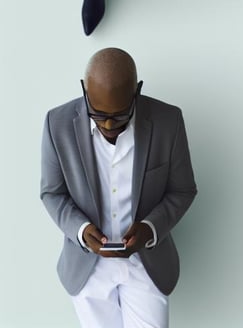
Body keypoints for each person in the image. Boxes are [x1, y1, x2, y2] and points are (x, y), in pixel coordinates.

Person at [40, 48, 197, 328]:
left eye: (121, 116)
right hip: (87, 268)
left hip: (147, 266)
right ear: (84, 90)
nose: (109, 125)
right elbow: (52, 193)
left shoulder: (168, 121)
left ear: (136, 92)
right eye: (98, 115)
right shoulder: (57, 124)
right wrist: (80, 230)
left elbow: (182, 190)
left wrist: (149, 228)